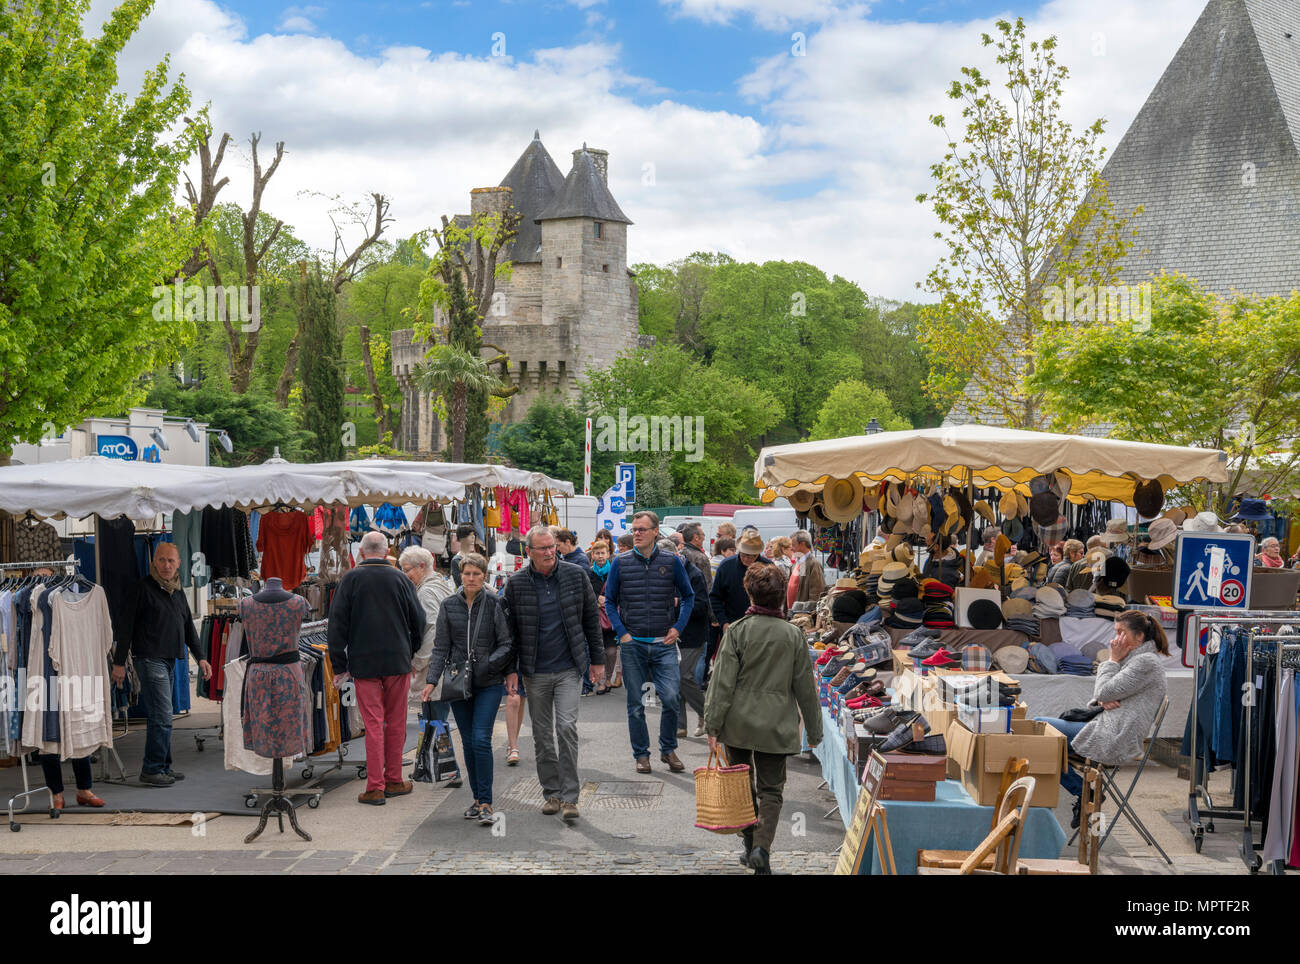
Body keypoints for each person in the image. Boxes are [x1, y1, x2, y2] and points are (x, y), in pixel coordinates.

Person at [704, 563, 822, 875]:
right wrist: (814, 730)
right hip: (775, 724)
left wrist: (712, 725)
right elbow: (806, 689)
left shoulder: (738, 631)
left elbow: (721, 684)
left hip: (738, 723)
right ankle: (761, 848)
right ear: (782, 595)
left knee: (742, 787)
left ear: (749, 593)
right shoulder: (793, 635)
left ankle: (748, 845)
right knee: (772, 790)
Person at [502, 525, 604, 822]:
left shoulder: (575, 575)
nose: (549, 552)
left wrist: (597, 661)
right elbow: (509, 633)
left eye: (552, 547)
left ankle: (571, 797)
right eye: (543, 549)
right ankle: (552, 793)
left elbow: (590, 620)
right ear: (529, 552)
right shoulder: (517, 583)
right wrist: (511, 669)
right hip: (535, 672)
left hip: (568, 668)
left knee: (566, 728)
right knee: (543, 736)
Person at [1034, 609, 1169, 829]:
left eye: (1120, 632)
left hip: (1115, 735)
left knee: (1040, 730)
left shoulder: (1145, 662)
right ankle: (1082, 792)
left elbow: (1104, 691)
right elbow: (1103, 696)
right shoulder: (1137, 659)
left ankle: (1082, 792)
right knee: (1043, 734)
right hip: (1109, 725)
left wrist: (1112, 661)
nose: (1115, 639)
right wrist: (1103, 698)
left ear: (1139, 637)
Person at [328, 531, 426, 805]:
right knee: (396, 721)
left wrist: (339, 664)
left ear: (360, 552)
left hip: (364, 661)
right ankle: (394, 779)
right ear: (386, 552)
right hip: (397, 660)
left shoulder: (350, 579)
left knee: (372, 723)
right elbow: (418, 619)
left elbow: (336, 625)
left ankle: (375, 786)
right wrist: (412, 650)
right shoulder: (400, 579)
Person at [421, 553, 515, 826]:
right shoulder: (449, 605)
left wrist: (489, 665)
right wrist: (431, 680)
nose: (471, 578)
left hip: (488, 682)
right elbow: (441, 647)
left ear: (484, 575)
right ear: (459, 576)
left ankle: (486, 802)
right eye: (466, 574)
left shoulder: (496, 603)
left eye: (476, 573)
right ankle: (477, 800)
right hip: (457, 681)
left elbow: (507, 643)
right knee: (469, 742)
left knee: (481, 739)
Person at [111, 543, 212, 786]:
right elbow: (125, 627)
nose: (166, 565)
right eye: (162, 560)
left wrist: (201, 657)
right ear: (154, 562)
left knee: (163, 714)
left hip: (169, 660)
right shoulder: (141, 588)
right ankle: (152, 768)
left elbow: (188, 627)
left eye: (171, 561)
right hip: (148, 658)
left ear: (178, 564)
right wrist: (118, 663)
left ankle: (163, 766)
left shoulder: (177, 591)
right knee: (162, 715)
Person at [603, 512, 696, 773]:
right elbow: (609, 600)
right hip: (633, 643)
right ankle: (641, 755)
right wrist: (621, 631)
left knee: (670, 697)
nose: (637, 533)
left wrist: (678, 628)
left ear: (656, 532)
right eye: (634, 529)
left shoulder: (671, 561)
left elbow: (689, 596)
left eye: (642, 529)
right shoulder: (620, 562)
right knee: (636, 704)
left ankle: (668, 749)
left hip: (663, 643)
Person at [400, 545, 460, 788]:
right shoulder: (440, 585)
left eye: (407, 570)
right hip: (441, 665)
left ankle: (449, 770)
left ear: (421, 566)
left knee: (435, 719)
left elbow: (433, 630)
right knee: (433, 719)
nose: (405, 575)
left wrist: (418, 661)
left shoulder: (426, 592)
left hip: (434, 668)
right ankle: (430, 766)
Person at [671, 537, 711, 740]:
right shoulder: (666, 572)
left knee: (682, 675)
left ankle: (707, 715)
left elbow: (702, 607)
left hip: (693, 635)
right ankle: (680, 725)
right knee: (675, 677)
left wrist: (678, 603)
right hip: (672, 634)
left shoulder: (694, 574)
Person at [709, 530, 773, 638]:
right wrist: (724, 623)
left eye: (751, 556)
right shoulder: (726, 566)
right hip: (732, 626)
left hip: (762, 628)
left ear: (758, 553)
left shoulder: (768, 567)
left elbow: (775, 598)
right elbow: (715, 597)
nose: (747, 559)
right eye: (744, 555)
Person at [588, 540, 618, 695]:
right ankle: (600, 682)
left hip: (610, 616)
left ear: (608, 554)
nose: (600, 556)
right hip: (594, 617)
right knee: (598, 650)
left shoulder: (614, 571)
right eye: (597, 553)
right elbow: (583, 593)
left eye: (603, 553)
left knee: (611, 652)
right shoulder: (588, 573)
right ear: (592, 555)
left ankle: (608, 678)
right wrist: (596, 599)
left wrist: (607, 599)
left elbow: (620, 591)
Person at [786, 529, 825, 610]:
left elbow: (817, 593)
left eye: (793, 545)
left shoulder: (814, 564)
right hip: (792, 614)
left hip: (802, 616)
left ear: (803, 544)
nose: (791, 548)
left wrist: (808, 614)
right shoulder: (796, 563)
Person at [679, 523, 713, 591]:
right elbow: (707, 585)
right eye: (703, 534)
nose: (704, 537)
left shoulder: (679, 554)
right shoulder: (701, 558)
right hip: (697, 599)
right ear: (696, 537)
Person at [450, 524, 478, 588]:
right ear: (461, 538)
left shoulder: (474, 557)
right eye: (469, 535)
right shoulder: (457, 560)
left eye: (473, 534)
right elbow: (462, 583)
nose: (473, 537)